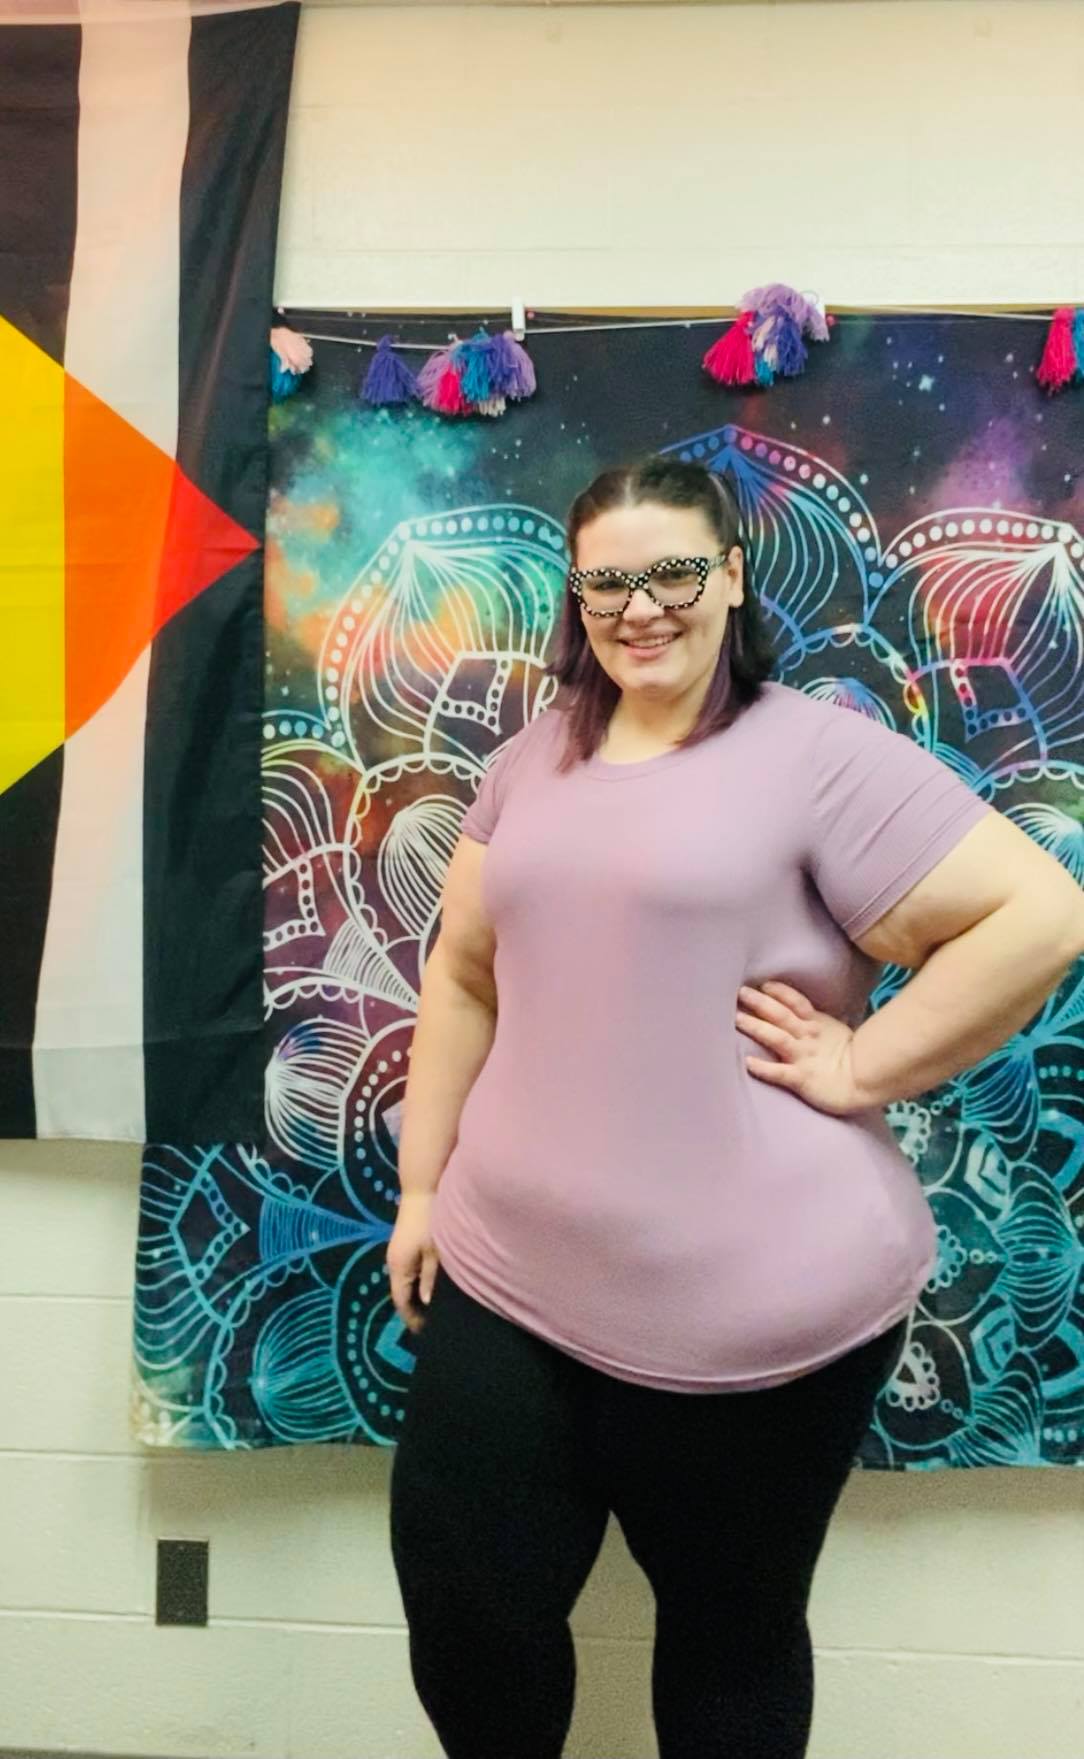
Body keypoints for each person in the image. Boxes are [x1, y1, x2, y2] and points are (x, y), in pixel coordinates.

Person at [386, 456, 1084, 1759]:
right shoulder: (535, 755)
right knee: (469, 1618)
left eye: (673, 573)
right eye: (607, 583)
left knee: (729, 1644)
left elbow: (1041, 916)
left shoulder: (816, 757)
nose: (640, 607)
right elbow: (465, 972)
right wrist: (424, 1185)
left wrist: (863, 1067)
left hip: (758, 1313)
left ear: (732, 578)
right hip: (507, 1275)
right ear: (576, 596)